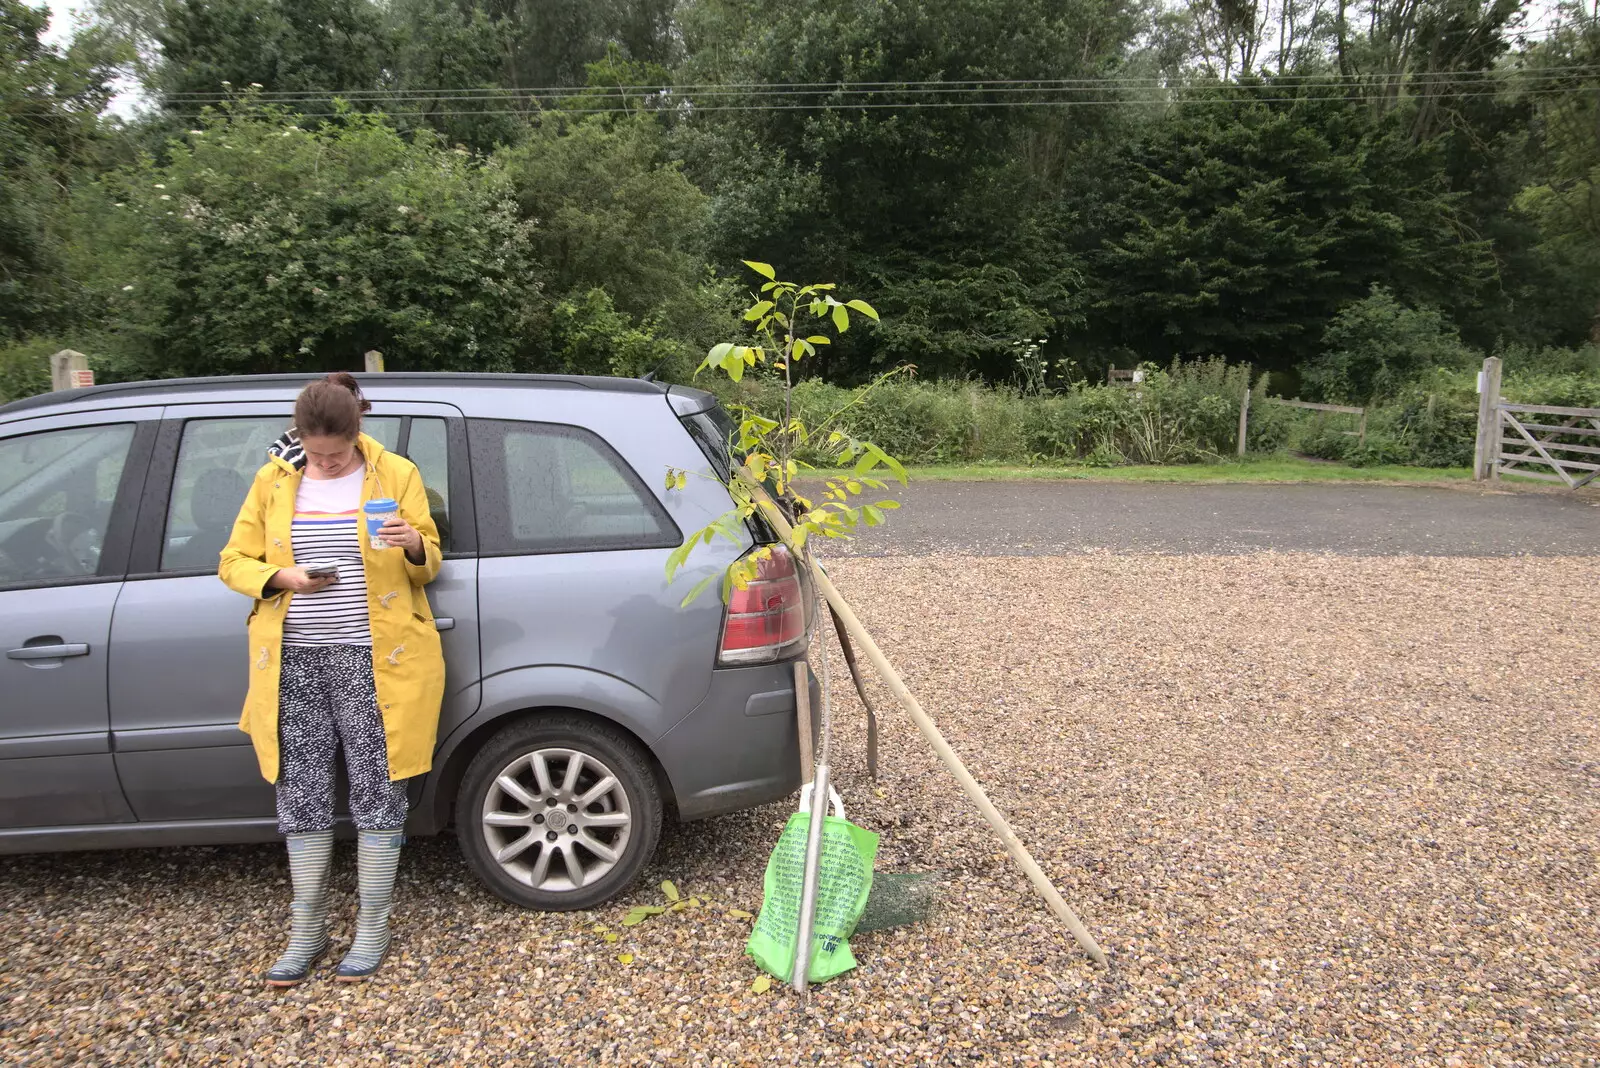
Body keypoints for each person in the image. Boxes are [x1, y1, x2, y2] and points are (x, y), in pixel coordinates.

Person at [219, 372, 445, 986]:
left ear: (357, 432)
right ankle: (307, 926)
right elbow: (232, 561)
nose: (324, 461)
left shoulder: (395, 474)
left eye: (336, 453)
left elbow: (428, 560)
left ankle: (373, 925)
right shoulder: (274, 478)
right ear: (300, 437)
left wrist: (412, 545)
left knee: (378, 789)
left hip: (376, 659)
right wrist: (283, 578)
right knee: (302, 792)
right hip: (293, 659)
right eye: (315, 453)